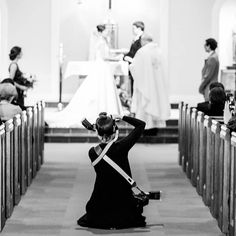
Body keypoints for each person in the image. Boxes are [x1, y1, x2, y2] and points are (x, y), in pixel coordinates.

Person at [77, 112, 146, 229]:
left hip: (100, 203)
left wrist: (98, 128)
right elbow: (141, 125)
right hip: (123, 203)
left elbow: (103, 141)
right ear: (114, 130)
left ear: (98, 133)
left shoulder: (93, 153)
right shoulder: (123, 147)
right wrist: (122, 116)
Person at [45, 25, 123, 127]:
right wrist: (117, 58)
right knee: (102, 90)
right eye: (105, 31)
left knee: (101, 90)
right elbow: (104, 57)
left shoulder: (101, 41)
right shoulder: (101, 42)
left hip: (102, 67)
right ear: (101, 32)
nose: (107, 33)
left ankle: (105, 111)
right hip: (102, 67)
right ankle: (104, 111)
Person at [130, 34, 170, 129]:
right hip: (157, 85)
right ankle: (156, 126)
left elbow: (135, 67)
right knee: (156, 102)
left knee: (145, 105)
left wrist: (130, 66)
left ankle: (146, 127)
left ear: (143, 41)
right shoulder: (159, 51)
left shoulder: (142, 52)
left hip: (146, 85)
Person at [123, 21, 145, 96]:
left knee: (137, 88)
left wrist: (128, 58)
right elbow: (131, 52)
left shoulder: (142, 40)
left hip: (138, 66)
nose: (132, 30)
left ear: (139, 28)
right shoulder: (136, 39)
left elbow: (139, 53)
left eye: (134, 28)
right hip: (133, 66)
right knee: (133, 86)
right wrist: (124, 56)